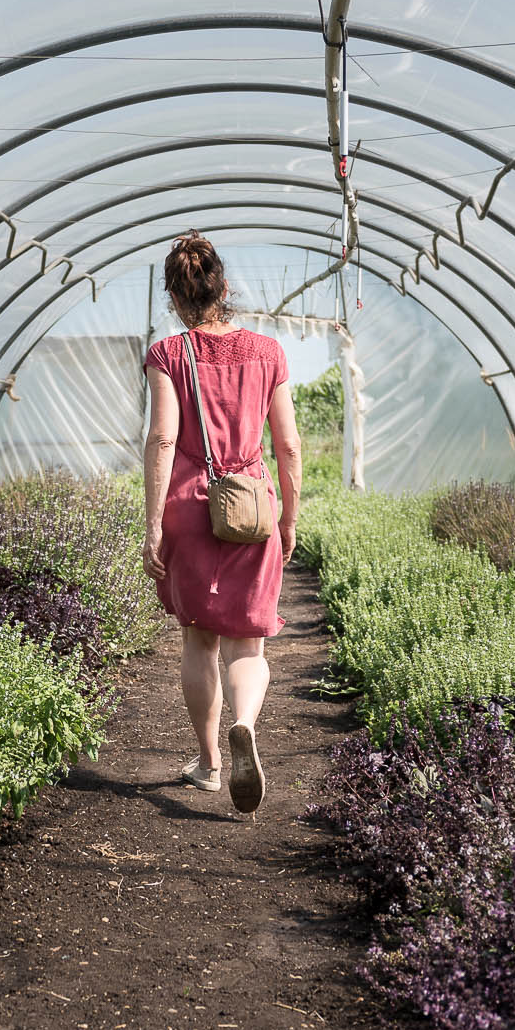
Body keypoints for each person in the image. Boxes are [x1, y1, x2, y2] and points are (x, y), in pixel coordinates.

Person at [141, 232, 302, 814]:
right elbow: (288, 445)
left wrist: (154, 523)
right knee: (248, 647)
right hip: (252, 506)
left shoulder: (168, 354)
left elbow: (162, 438)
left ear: (175, 299)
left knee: (198, 640)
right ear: (224, 288)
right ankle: (246, 724)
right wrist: (288, 517)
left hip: (190, 505)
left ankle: (210, 764)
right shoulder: (269, 353)